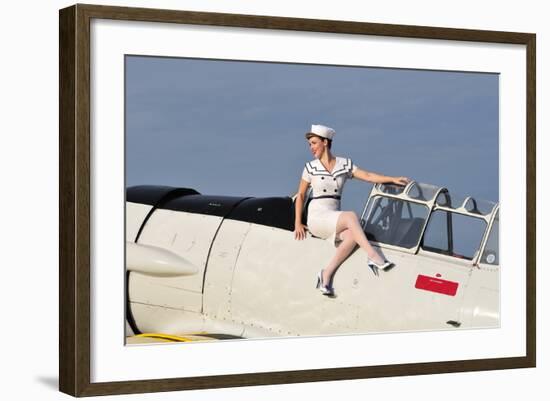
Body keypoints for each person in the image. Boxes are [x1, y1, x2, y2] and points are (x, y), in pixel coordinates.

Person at [294, 124, 410, 296]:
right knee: (351, 216)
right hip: (318, 216)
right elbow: (301, 195)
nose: (311, 148)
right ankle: (372, 254)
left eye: (314, 143)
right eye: (310, 144)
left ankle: (325, 274)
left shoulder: (344, 164)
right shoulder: (310, 168)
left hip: (333, 215)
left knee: (351, 236)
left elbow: (368, 176)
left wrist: (392, 179)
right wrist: (298, 222)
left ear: (325, 142)